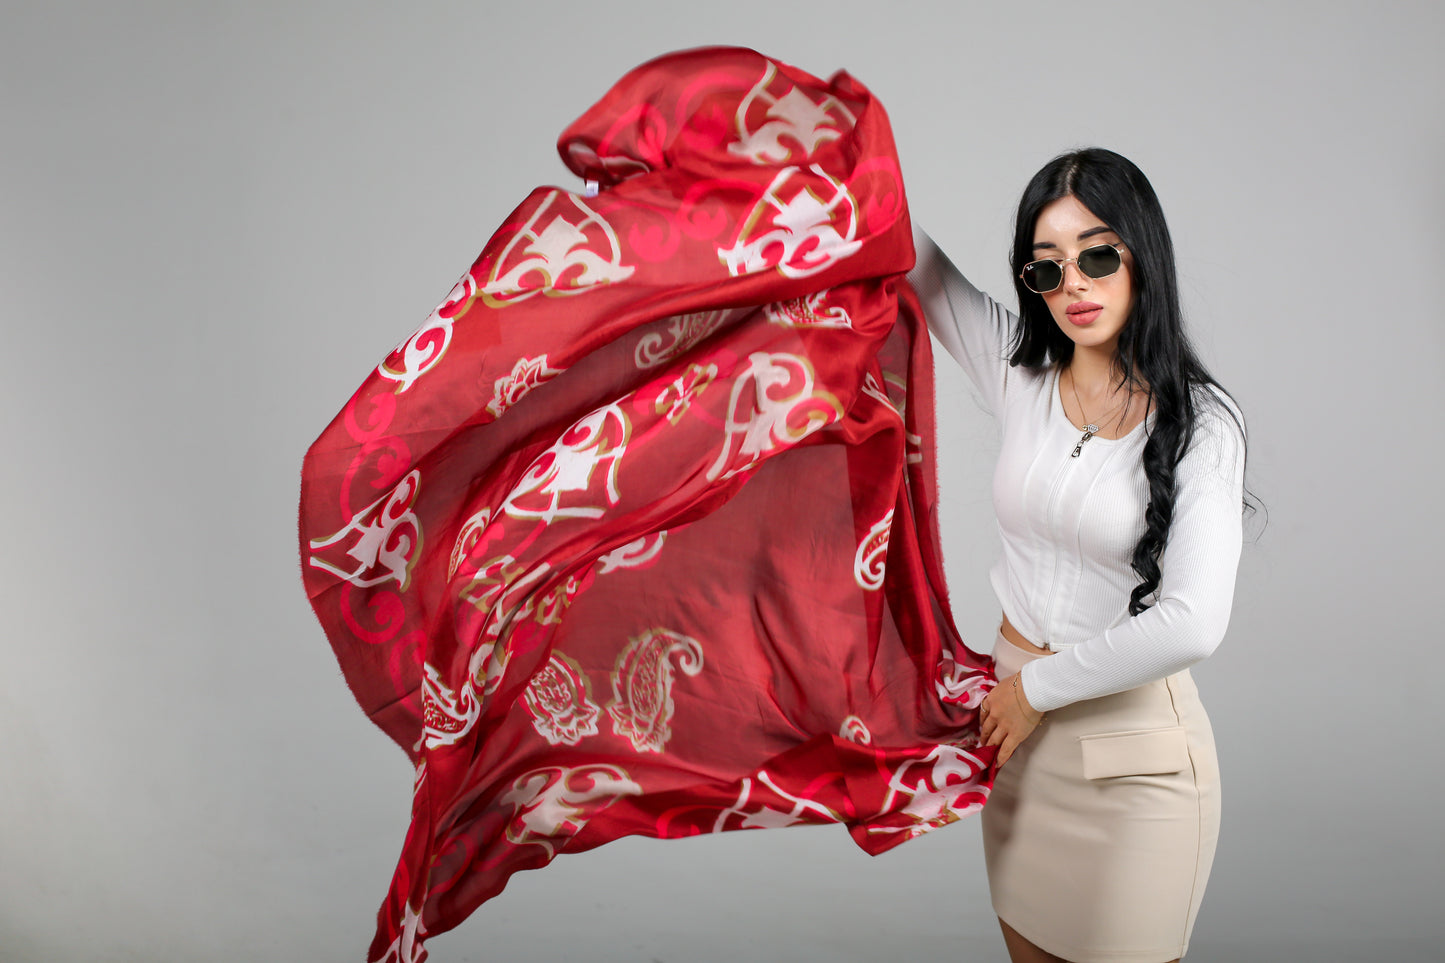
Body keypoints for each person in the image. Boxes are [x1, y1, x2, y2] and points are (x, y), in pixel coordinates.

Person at [907, 148, 1248, 963]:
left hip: (1134, 769)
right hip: (1016, 744)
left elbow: (1192, 623)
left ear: (1140, 258)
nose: (1074, 286)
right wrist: (803, 146)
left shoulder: (1205, 423)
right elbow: (908, 261)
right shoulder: (1019, 374)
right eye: (1046, 269)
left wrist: (1034, 690)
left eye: (1096, 257)